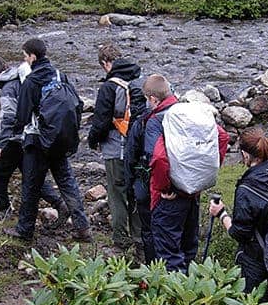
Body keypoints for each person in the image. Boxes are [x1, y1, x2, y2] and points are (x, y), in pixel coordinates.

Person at [2, 38, 91, 243]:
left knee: (31, 186)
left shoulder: (31, 81)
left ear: (33, 56)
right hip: (59, 139)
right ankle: (83, 228)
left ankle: (24, 230)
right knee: (68, 183)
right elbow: (76, 103)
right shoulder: (60, 75)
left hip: (37, 141)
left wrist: (11, 137)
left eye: (25, 56)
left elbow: (23, 117)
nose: (24, 59)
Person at [148, 77, 229, 273]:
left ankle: (179, 297)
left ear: (152, 99)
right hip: (193, 193)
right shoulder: (192, 116)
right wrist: (204, 173)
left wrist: (165, 186)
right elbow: (223, 137)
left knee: (169, 253)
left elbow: (158, 159)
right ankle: (195, 288)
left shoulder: (159, 121)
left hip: (168, 198)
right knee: (188, 246)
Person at [207, 128, 268, 300]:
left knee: (251, 303)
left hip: (257, 258)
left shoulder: (247, 189)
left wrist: (221, 214)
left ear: (245, 154)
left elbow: (240, 233)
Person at [0, 56, 67, 219]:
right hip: (31, 136)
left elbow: (8, 118)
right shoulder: (23, 79)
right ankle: (59, 204)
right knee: (32, 176)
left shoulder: (8, 88)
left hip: (15, 140)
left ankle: (4, 209)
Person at [87, 44, 146, 250]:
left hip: (117, 148)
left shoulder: (109, 87)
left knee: (117, 193)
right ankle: (139, 235)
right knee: (136, 192)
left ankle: (120, 237)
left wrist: (92, 140)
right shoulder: (140, 81)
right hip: (140, 148)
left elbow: (101, 122)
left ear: (105, 63)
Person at [124, 74, 177, 264]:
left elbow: (134, 157)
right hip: (184, 183)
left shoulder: (147, 121)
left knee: (151, 231)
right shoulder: (184, 113)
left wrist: (130, 186)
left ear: (153, 99)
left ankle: (153, 269)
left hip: (155, 187)